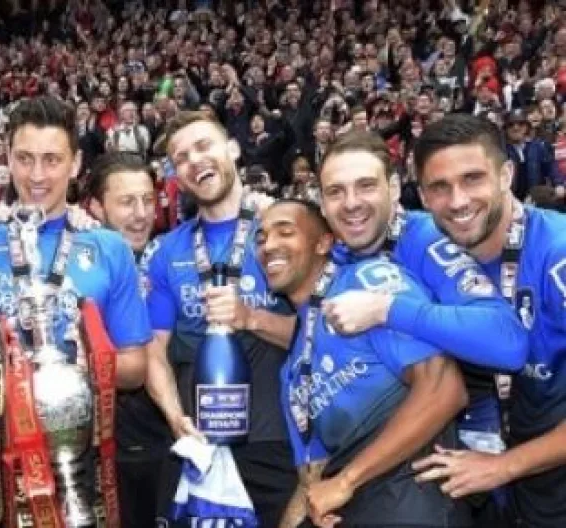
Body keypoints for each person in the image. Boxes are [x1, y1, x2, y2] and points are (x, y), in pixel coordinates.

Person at [0, 96, 151, 528]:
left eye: (52, 160)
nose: (37, 175)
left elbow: (135, 368)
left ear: (75, 164)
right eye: (25, 158)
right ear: (7, 158)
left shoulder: (108, 248)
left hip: (83, 465)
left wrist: (73, 370)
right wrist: (15, 374)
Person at [313, 132, 528, 487]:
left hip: (465, 459)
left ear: (394, 188)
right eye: (336, 191)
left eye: (366, 186)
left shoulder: (423, 238)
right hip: (381, 454)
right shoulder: (338, 258)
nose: (351, 203)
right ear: (322, 203)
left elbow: (508, 342)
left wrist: (387, 308)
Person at [256, 199, 471, 527]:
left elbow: (445, 389)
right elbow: (313, 483)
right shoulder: (293, 369)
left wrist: (346, 481)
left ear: (323, 243)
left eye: (285, 232)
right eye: (261, 238)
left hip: (414, 506)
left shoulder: (365, 284)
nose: (269, 245)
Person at [409, 114, 566, 527]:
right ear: (422, 196)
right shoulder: (427, 256)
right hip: (499, 486)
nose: (458, 201)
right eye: (439, 187)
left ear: (506, 175)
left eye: (472, 179)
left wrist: (504, 466)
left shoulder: (558, 254)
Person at [145, 111, 298, 527]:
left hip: (275, 441)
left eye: (204, 146)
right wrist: (175, 418)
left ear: (232, 148)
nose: (194, 160)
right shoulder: (167, 251)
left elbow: (321, 334)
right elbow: (154, 349)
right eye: (181, 158)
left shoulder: (284, 230)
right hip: (198, 444)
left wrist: (251, 318)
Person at [84, 152, 171, 527]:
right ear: (95, 207)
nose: (141, 214)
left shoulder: (168, 258)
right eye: (126, 202)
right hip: (98, 447)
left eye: (148, 200)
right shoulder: (78, 266)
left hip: (163, 443)